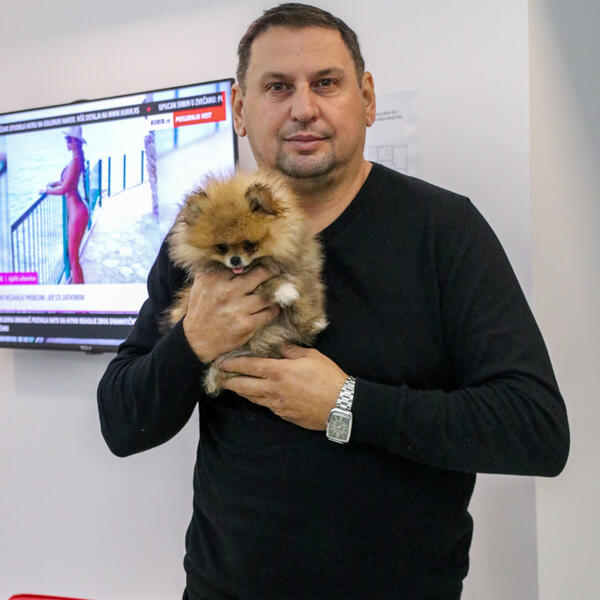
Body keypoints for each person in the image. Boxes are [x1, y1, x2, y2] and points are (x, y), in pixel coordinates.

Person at [97, 4, 570, 599]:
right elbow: (122, 423)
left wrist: (345, 405)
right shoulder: (208, 238)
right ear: (239, 110)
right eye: (277, 87)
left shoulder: (443, 231)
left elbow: (535, 429)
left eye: (325, 83)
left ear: (365, 98)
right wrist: (194, 341)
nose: (303, 108)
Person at [41, 125, 88, 283]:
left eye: (69, 139)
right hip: (77, 211)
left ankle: (80, 296)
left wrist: (46, 191)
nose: (66, 141)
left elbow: (65, 189)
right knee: (73, 258)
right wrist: (55, 183)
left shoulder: (75, 161)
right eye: (66, 138)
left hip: (77, 214)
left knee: (73, 259)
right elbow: (68, 182)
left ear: (76, 142)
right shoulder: (75, 159)